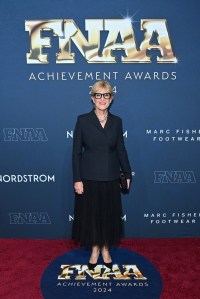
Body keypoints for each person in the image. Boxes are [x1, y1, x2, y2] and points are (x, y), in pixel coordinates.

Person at [72, 80, 132, 270]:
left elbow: (121, 150)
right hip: (89, 177)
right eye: (98, 95)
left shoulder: (117, 121)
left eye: (106, 95)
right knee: (92, 216)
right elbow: (76, 153)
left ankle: (105, 249)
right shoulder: (82, 120)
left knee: (108, 216)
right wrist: (77, 179)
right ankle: (95, 250)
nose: (102, 99)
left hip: (111, 177)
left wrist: (127, 172)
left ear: (111, 98)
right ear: (92, 98)